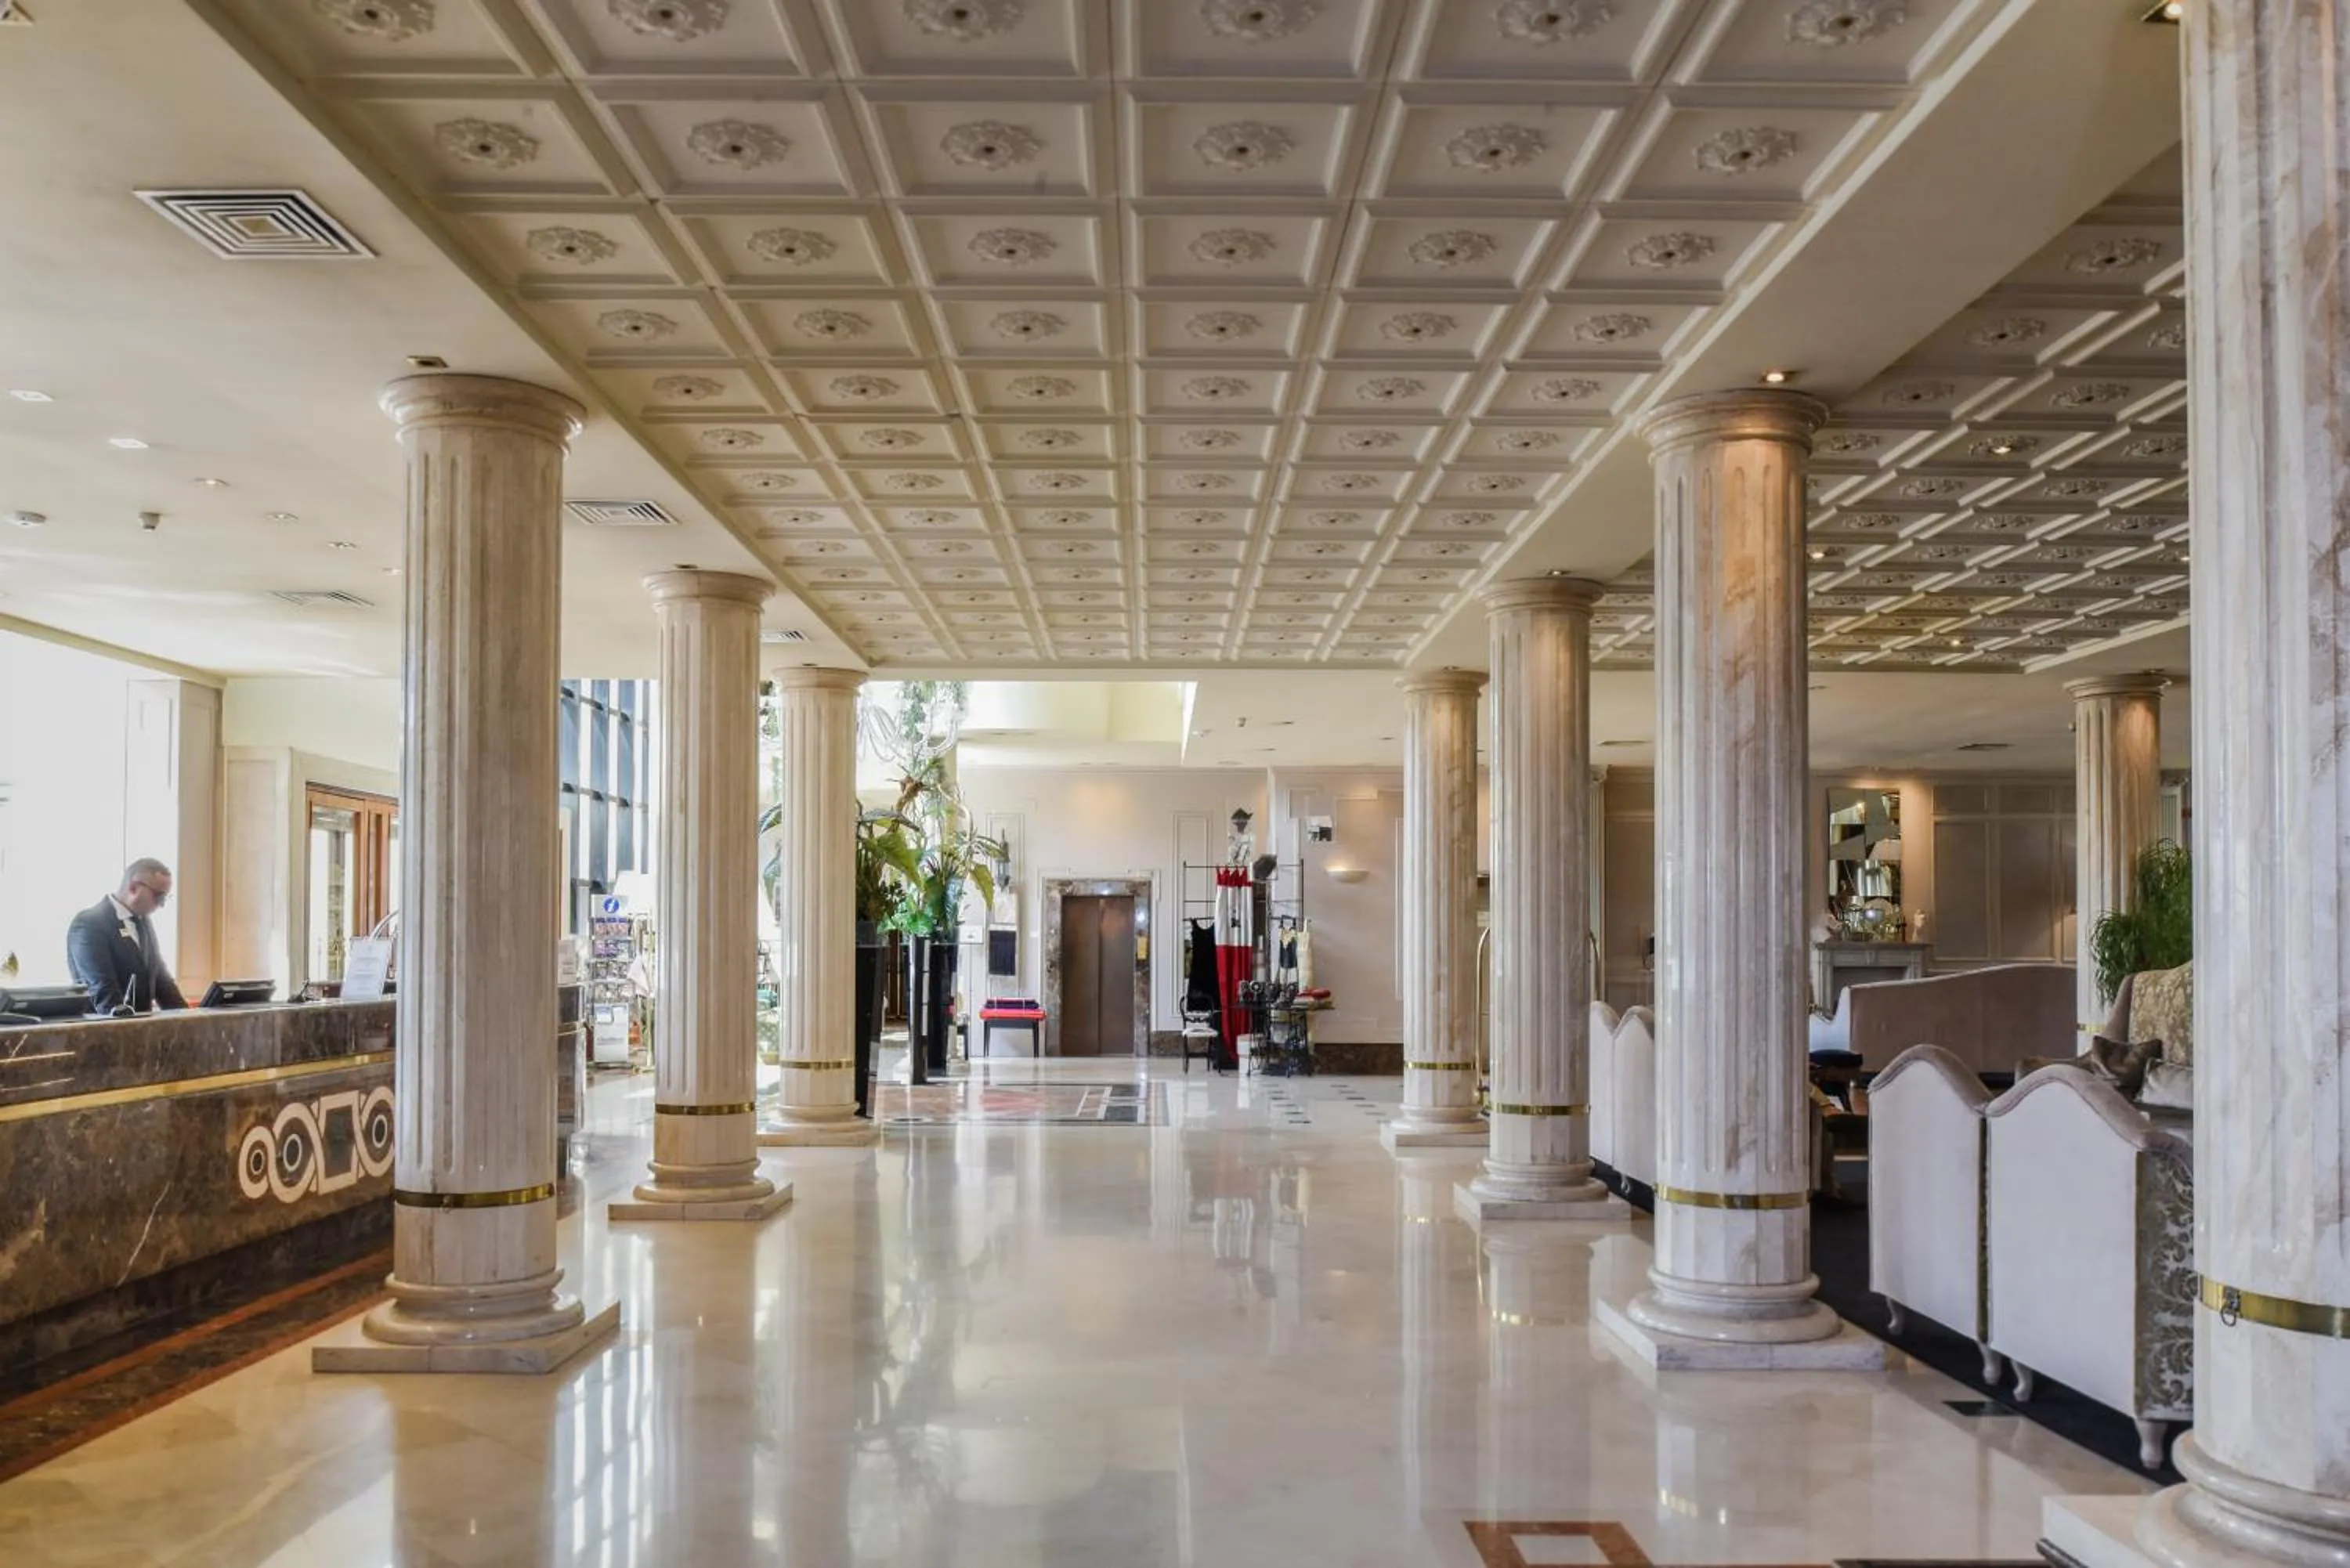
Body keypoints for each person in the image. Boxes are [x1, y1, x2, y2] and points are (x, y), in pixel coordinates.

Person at [66, 858, 188, 1014]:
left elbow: (161, 979)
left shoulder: (144, 923)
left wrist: (188, 1017)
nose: (162, 904)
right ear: (133, 888)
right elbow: (102, 989)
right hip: (105, 1029)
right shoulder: (89, 924)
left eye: (165, 898)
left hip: (142, 1027)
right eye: (158, 896)